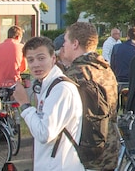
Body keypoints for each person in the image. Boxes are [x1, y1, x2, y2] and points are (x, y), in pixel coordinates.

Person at [13, 36, 84, 171]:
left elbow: (44, 134)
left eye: (41, 58)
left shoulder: (61, 89)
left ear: (53, 59)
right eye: (30, 60)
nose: (36, 64)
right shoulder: (47, 85)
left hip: (60, 166)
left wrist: (25, 105)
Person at [58, 21, 120, 171]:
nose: (63, 45)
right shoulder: (104, 67)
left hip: (87, 151)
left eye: (66, 41)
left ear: (75, 44)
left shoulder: (76, 73)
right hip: (110, 145)